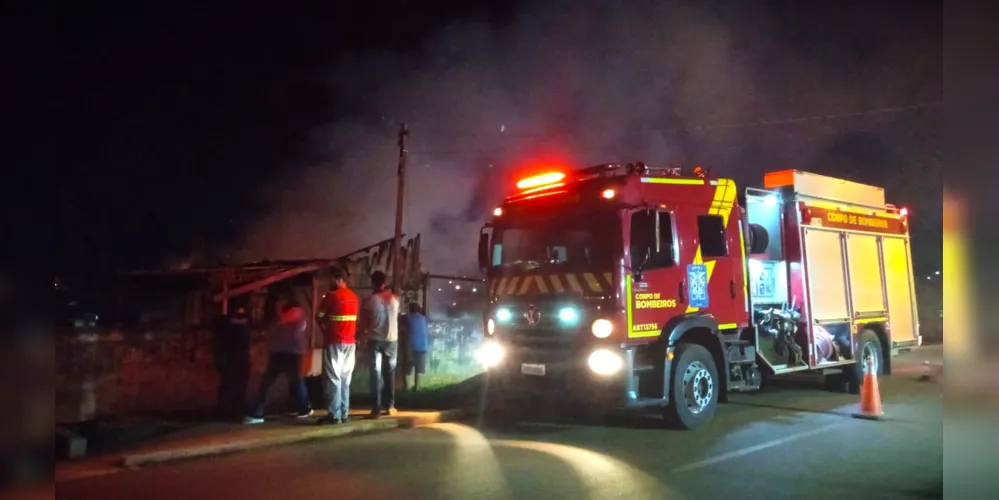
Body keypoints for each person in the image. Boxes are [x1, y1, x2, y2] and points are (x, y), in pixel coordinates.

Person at [244, 301, 312, 424]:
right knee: (296, 380)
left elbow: (273, 331)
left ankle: (257, 412)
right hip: (292, 353)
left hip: (281, 352)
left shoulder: (285, 318)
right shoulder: (299, 318)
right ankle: (304, 408)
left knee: (268, 382)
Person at [315, 268, 359, 425]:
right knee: (345, 379)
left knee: (333, 378)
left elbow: (318, 316)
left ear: (338, 279)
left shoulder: (332, 296)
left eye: (330, 280)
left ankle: (334, 415)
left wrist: (325, 326)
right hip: (350, 343)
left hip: (334, 341)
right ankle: (344, 413)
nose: (328, 283)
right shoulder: (354, 297)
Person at [363, 271, 400, 418]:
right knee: (390, 373)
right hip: (392, 340)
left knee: (376, 373)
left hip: (375, 340)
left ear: (372, 282)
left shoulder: (370, 301)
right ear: (385, 282)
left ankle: (376, 409)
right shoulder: (395, 299)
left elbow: (364, 323)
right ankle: (390, 406)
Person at [212, 305, 251, 420]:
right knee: (236, 387)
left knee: (228, 386)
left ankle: (227, 412)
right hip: (237, 359)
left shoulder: (224, 326)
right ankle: (234, 412)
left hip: (230, 359)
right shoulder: (239, 327)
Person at [402, 303, 429, 392]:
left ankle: (407, 388)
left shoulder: (407, 318)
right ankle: (417, 388)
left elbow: (402, 328)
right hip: (423, 345)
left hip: (411, 345)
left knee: (407, 367)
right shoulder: (423, 318)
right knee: (419, 368)